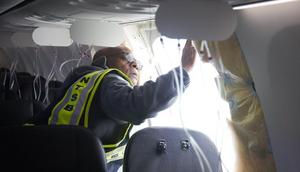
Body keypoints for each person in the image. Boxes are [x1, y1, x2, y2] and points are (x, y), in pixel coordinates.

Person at [42, 40, 196, 172]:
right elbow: (137, 104)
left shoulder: (84, 80)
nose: (134, 64)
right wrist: (183, 72)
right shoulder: (108, 79)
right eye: (126, 57)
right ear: (103, 60)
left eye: (138, 64)